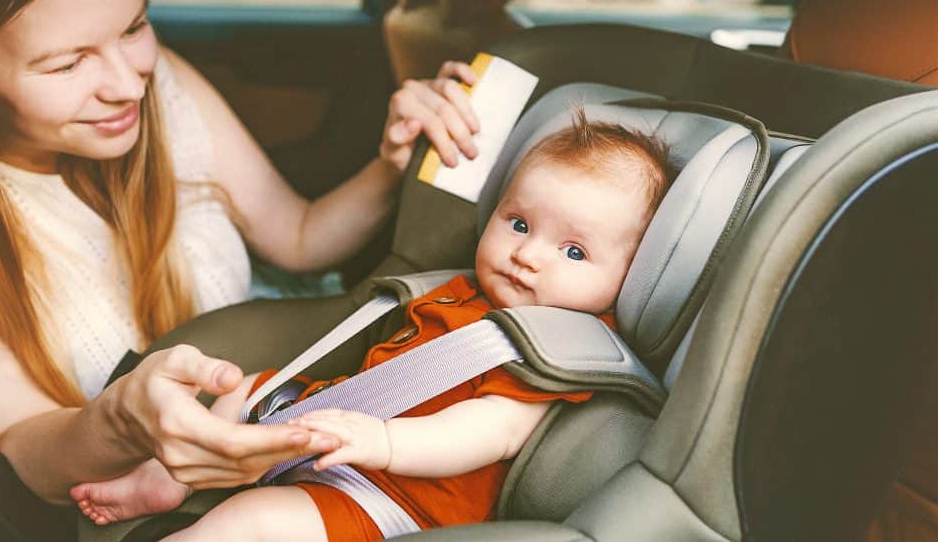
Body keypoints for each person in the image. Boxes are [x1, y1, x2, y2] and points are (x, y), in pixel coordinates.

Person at [0, 0, 481, 506]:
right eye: (68, 63)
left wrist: (395, 159)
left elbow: (298, 236)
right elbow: (16, 440)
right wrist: (123, 417)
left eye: (134, 27)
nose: (127, 82)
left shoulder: (163, 86)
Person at [71, 114, 674, 540]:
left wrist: (382, 442)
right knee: (241, 385)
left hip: (397, 499)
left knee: (244, 528)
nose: (529, 254)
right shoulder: (465, 290)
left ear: (631, 272)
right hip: (343, 438)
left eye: (573, 252)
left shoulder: (559, 347)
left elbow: (492, 431)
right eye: (518, 223)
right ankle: (161, 481)